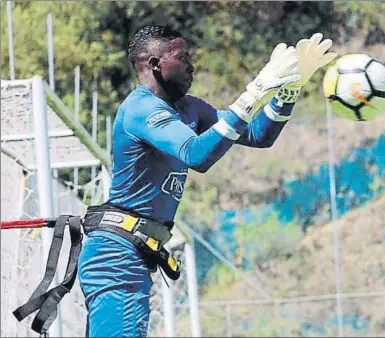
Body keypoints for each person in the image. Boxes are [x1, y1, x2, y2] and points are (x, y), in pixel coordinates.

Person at [78, 25, 336, 337]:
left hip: (132, 256)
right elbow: (196, 154)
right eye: (181, 57)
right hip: (116, 257)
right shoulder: (140, 108)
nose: (191, 64)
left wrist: (287, 92)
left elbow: (257, 134)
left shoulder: (190, 108)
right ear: (154, 64)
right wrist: (254, 91)